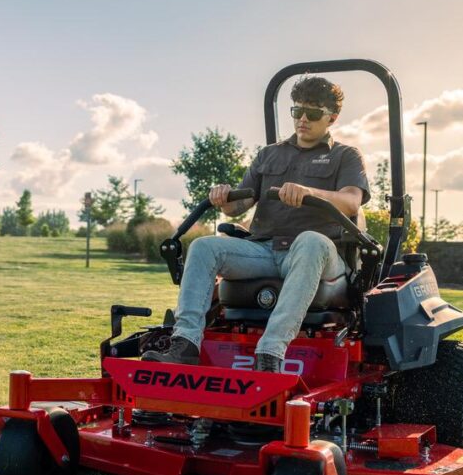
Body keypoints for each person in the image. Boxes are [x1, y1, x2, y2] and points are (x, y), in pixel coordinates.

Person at [143, 76, 370, 372]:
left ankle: (271, 353)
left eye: (312, 114)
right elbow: (239, 205)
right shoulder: (269, 154)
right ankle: (185, 343)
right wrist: (223, 197)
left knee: (311, 240)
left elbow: (352, 200)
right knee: (203, 247)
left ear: (332, 118)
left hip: (318, 256)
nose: (302, 119)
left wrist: (309, 192)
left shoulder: (345, 156)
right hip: (263, 250)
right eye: (296, 111)